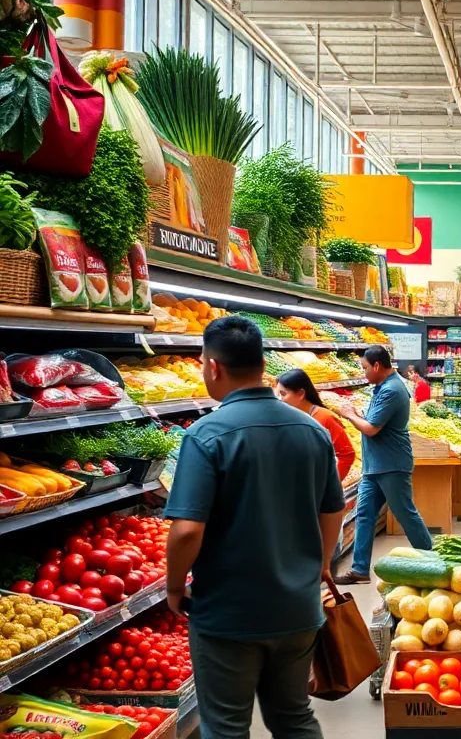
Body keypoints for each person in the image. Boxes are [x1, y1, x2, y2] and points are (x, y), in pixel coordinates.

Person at [164, 316, 345, 739]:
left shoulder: (205, 435)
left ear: (212, 366)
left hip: (230, 612)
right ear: (263, 364)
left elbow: (188, 530)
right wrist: (318, 565)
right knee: (294, 718)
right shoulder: (312, 430)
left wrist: (174, 587)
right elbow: (333, 509)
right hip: (297, 607)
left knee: (226, 726)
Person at [335, 345, 432, 584]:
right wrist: (359, 414)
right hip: (374, 465)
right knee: (365, 514)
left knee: (405, 513)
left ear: (377, 365)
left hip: (391, 464)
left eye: (365, 368)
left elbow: (371, 428)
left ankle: (433, 560)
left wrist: (349, 414)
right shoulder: (382, 387)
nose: (364, 373)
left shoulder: (392, 390)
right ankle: (359, 570)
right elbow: (372, 420)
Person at [275, 368, 357, 482]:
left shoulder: (325, 418)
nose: (280, 400)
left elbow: (346, 455)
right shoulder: (287, 418)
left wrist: (329, 485)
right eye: (278, 395)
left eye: (283, 394)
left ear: (300, 394)